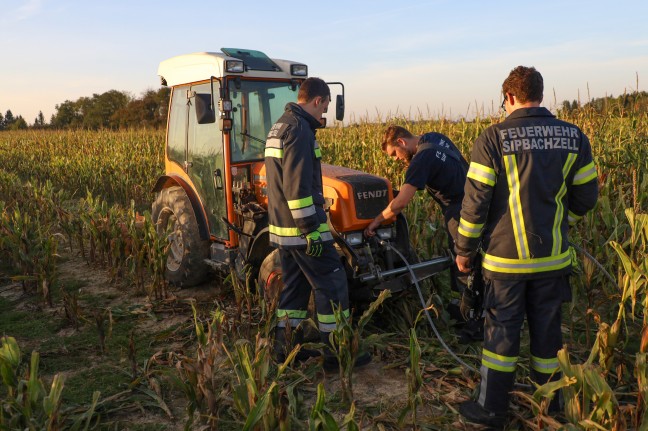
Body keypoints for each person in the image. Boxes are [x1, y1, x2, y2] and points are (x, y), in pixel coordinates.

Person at [454, 66, 598, 428]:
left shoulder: (493, 138)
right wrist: (561, 226)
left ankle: (491, 409)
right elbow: (586, 198)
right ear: (540, 94)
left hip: (505, 264)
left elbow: (474, 205)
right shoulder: (574, 136)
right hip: (553, 260)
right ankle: (548, 405)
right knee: (548, 335)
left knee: (502, 334)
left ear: (509, 98)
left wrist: (464, 249)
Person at [264, 77, 371, 370]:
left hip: (285, 230)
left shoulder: (281, 125)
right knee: (333, 283)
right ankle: (337, 354)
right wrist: (311, 229)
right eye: (324, 106)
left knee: (295, 291)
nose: (324, 114)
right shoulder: (299, 130)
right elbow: (297, 187)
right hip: (302, 230)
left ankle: (284, 348)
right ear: (318, 100)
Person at [364, 125, 482, 342]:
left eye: (394, 154)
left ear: (401, 143)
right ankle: (469, 311)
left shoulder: (421, 158)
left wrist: (376, 221)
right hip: (475, 202)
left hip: (460, 211)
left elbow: (400, 204)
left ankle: (476, 323)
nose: (396, 160)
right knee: (473, 258)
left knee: (465, 263)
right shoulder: (434, 137)